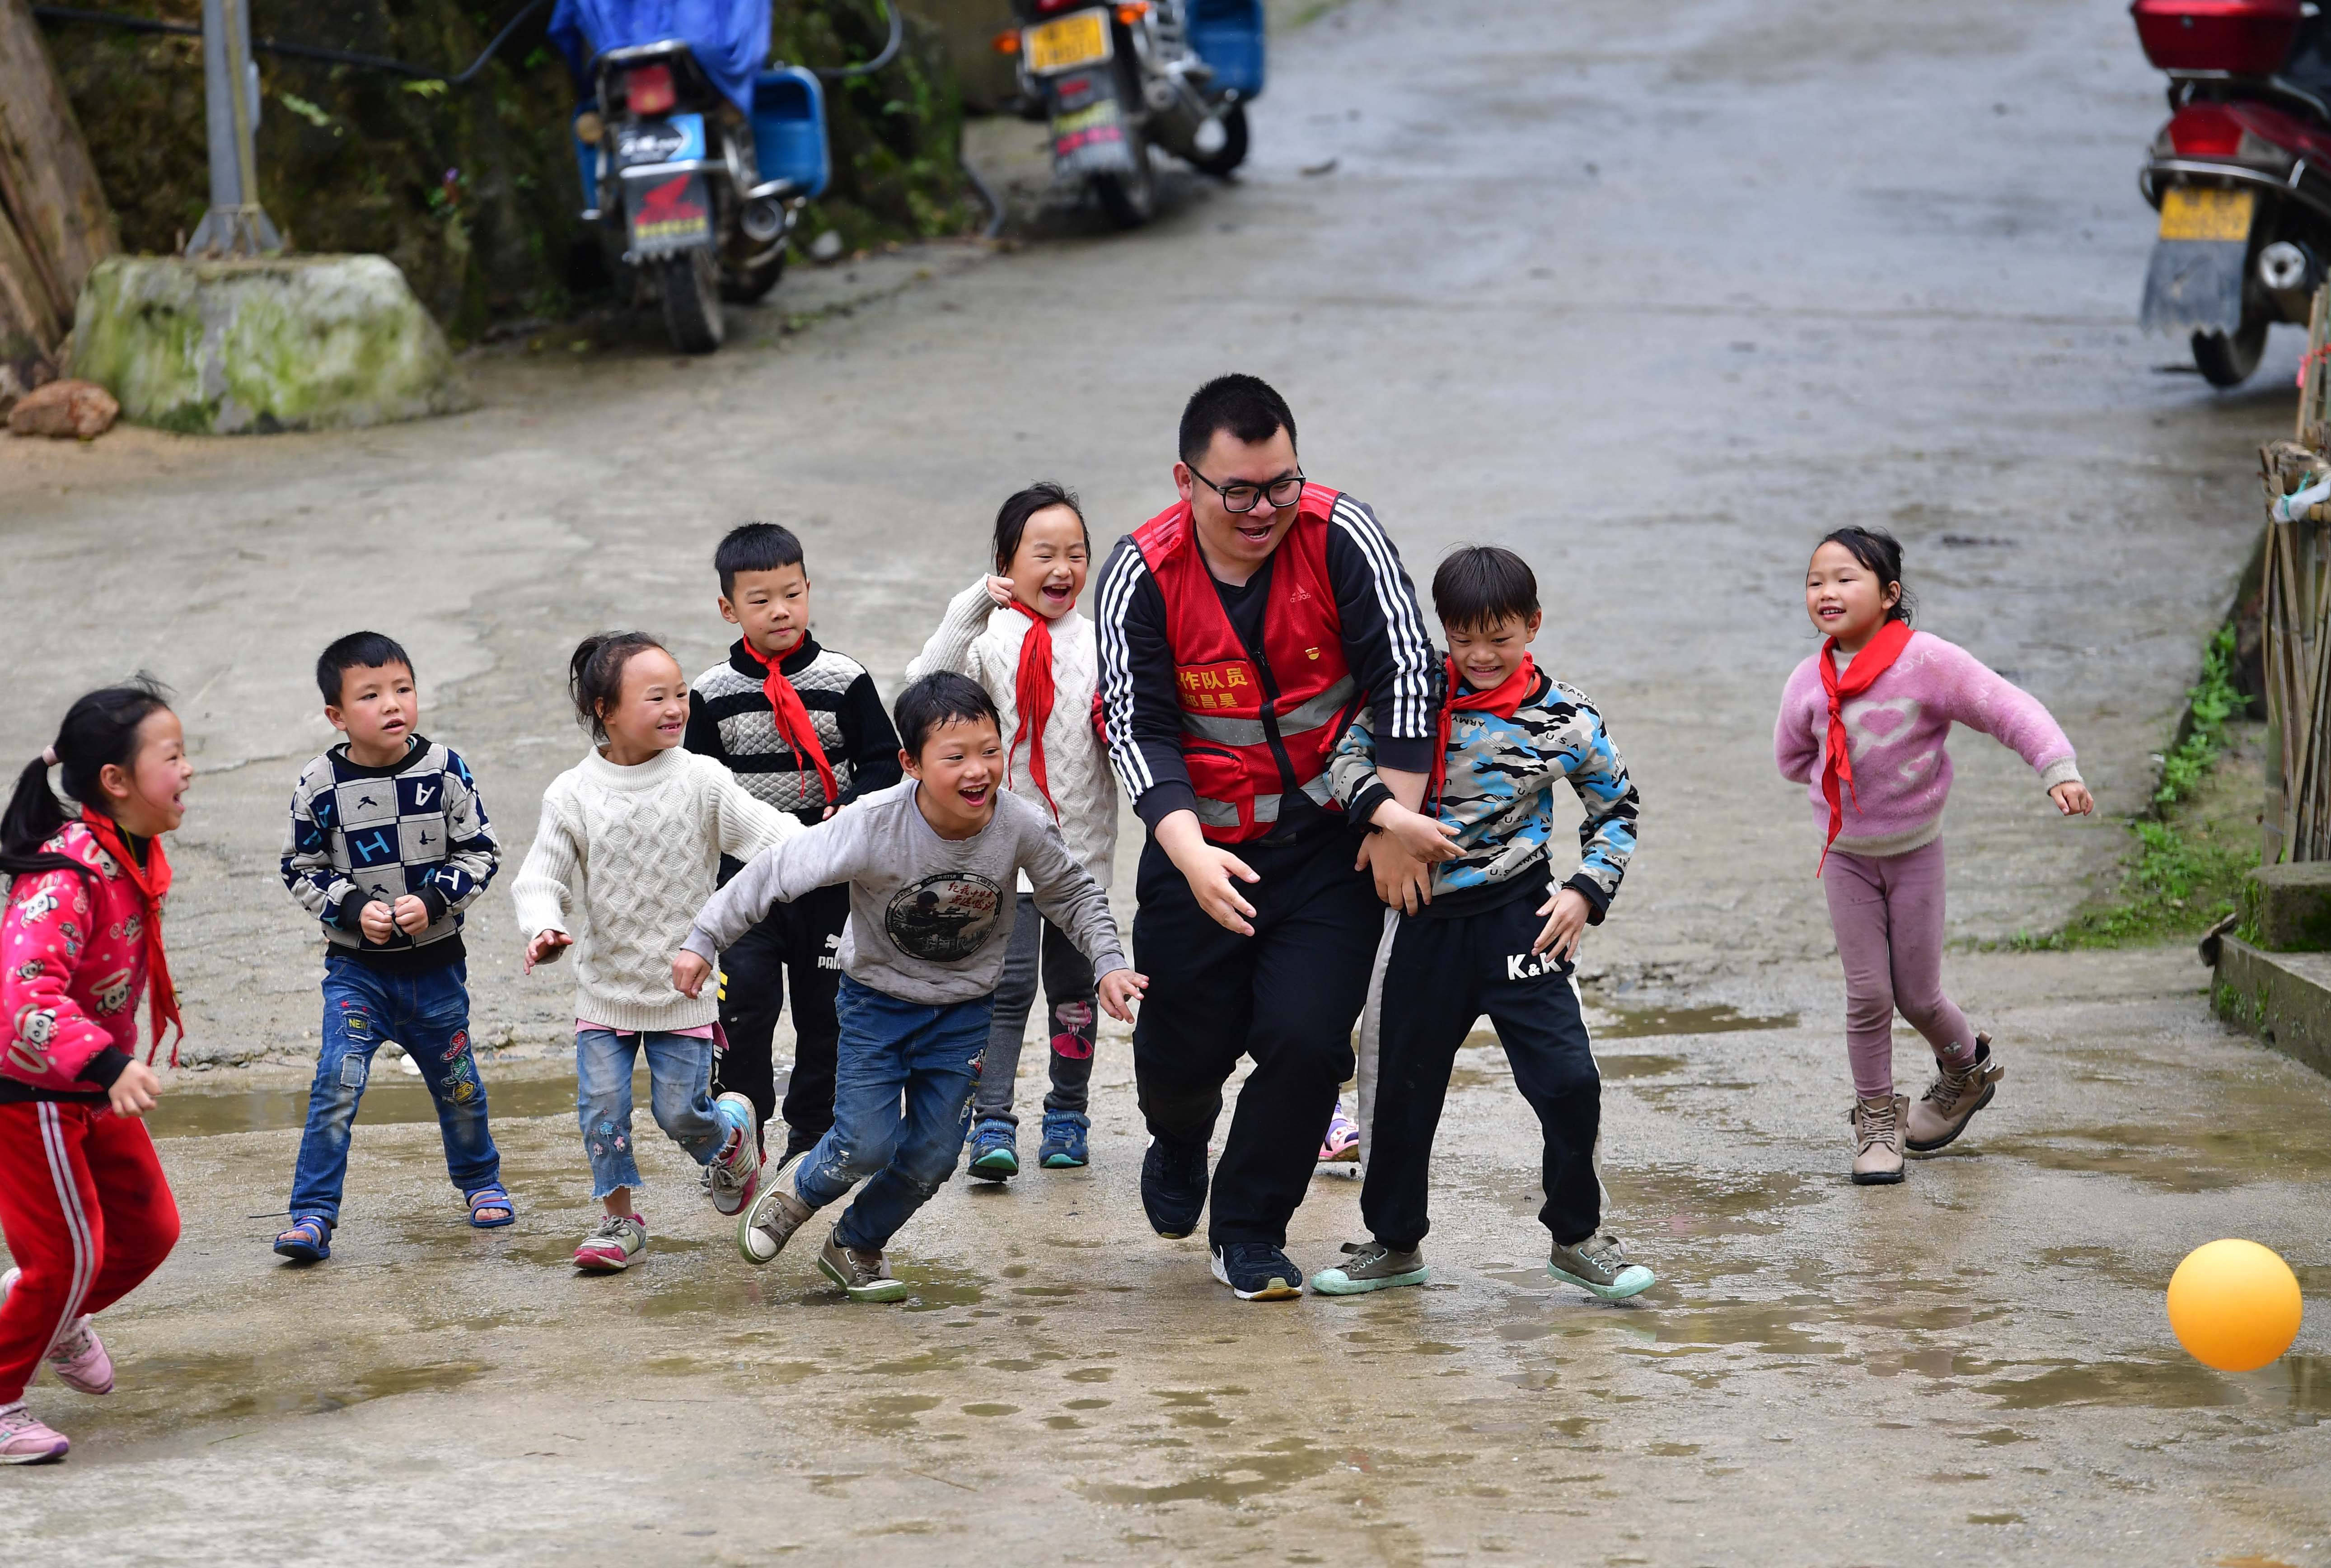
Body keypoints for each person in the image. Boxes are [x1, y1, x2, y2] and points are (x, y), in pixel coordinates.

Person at [1094, 373, 1437, 1302]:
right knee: (1182, 1053)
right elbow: (1137, 726)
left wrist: (1395, 818)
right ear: (1186, 482)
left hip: (1333, 841)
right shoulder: (1141, 571)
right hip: (1200, 846)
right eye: (1237, 490)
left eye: (1280, 483)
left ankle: (1249, 1230)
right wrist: (1189, 850)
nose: (1263, 508)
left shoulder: (1341, 536)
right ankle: (1177, 1135)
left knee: (1307, 1036)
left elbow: (1407, 672)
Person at [679, 673, 1145, 1301]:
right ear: (912, 763)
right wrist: (704, 938)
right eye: (955, 757)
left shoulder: (1020, 824)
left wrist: (1108, 963)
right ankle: (799, 1192)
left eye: (989, 750)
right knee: (863, 1144)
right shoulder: (875, 823)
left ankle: (857, 1243)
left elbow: (1073, 894)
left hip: (965, 1013)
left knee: (933, 1157)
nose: (978, 771)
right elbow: (776, 871)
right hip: (877, 1005)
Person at [1313, 547, 1653, 1301]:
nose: (1480, 655)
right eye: (1463, 638)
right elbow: (1342, 763)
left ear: (1533, 626)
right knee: (1398, 1090)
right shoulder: (1413, 698)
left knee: (1569, 1082)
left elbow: (1617, 808)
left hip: (1521, 918)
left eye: (1499, 637)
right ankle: (1393, 1243)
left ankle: (1578, 1237)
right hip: (1421, 920)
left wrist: (1585, 892)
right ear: (1443, 630)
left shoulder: (1567, 718)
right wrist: (1391, 820)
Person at [1774, 527, 2093, 1184]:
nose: (1827, 592)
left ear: (1890, 594)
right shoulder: (1808, 681)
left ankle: (1965, 1071)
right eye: (1815, 581)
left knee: (1918, 996)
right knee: (1868, 995)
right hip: (1846, 858)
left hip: (1917, 852)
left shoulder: (1929, 663)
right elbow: (1790, 758)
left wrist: (2056, 767)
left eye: (1845, 578)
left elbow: (2004, 706)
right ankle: (1877, 1125)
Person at [511, 632, 796, 1272]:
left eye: (680, 694)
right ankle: (618, 1223)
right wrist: (545, 926)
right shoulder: (572, 794)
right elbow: (541, 877)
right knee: (602, 1113)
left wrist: (842, 852)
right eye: (656, 697)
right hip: (605, 992)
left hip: (682, 989)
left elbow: (772, 836)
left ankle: (730, 1138)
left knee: (679, 1114)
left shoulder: (702, 780)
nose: (677, 707)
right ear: (605, 711)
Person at [0, 680, 191, 1463]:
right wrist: (110, 1061)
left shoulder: (133, 851)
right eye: (173, 756)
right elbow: (20, 996)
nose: (189, 770)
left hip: (92, 1084)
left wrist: (110, 1068)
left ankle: (49, 1317)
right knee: (64, 1256)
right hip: (35, 1090)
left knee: (149, 1230)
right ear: (115, 781)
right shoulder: (65, 875)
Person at [273, 633, 508, 1263]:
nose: (392, 704)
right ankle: (313, 1215)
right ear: (337, 715)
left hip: (435, 971)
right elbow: (301, 866)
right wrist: (352, 907)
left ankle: (482, 1182)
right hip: (357, 974)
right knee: (336, 1083)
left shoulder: (445, 770)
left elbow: (481, 851)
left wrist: (435, 900)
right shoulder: (320, 784)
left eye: (403, 689)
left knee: (460, 1085)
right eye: (370, 695)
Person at [907, 481, 1115, 1179]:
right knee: (1005, 987)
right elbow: (921, 688)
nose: (1062, 569)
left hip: (1080, 854)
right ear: (1007, 560)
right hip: (999, 853)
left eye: (1076, 554)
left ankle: (1068, 1115)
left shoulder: (1102, 642)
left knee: (1074, 992)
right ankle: (991, 1120)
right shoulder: (987, 642)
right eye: (1044, 554)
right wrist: (970, 606)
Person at [686, 523, 902, 1166]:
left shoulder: (845, 679)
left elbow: (886, 766)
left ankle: (812, 1139)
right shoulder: (710, 693)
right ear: (729, 609)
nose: (780, 610)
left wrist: (855, 806)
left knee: (829, 1013)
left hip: (833, 885)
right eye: (760, 599)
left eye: (791, 593)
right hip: (746, 885)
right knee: (745, 1008)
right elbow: (695, 785)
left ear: (809, 590)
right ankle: (737, 1130)